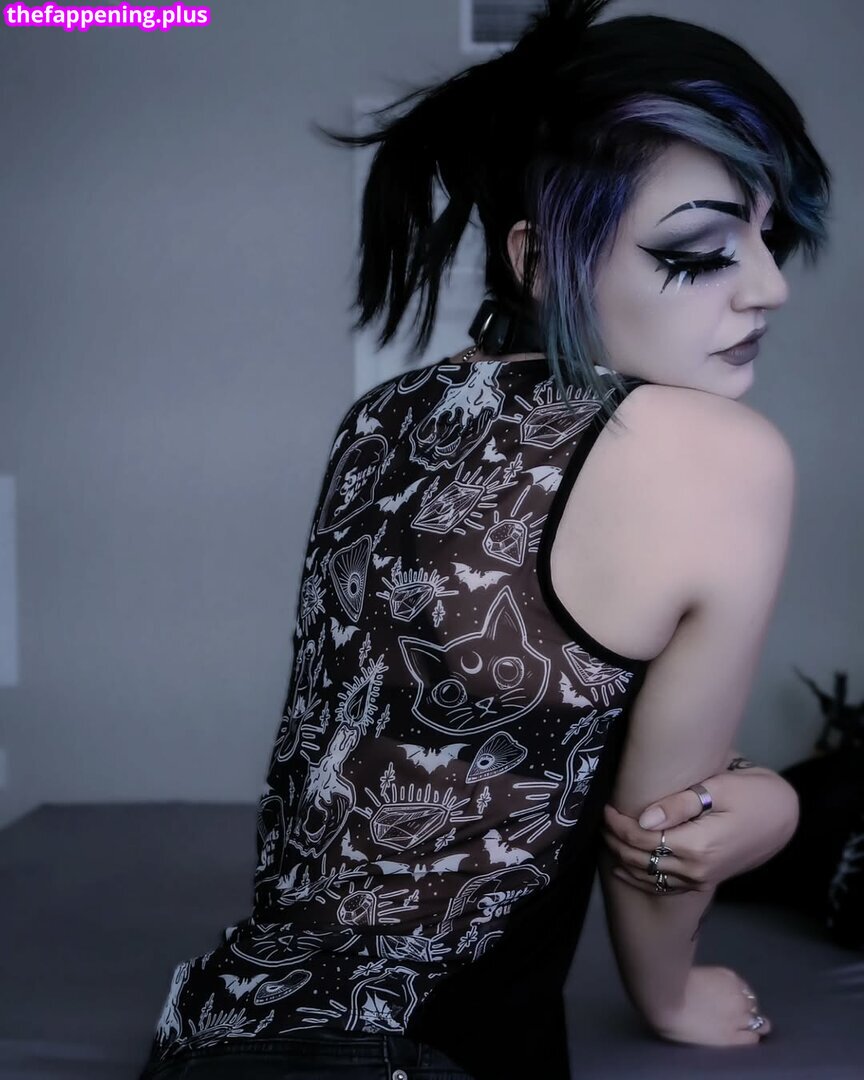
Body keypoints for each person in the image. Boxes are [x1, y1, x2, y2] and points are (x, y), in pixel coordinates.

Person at [136, 1, 831, 1078]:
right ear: (540, 261)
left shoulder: (382, 418)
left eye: (766, 236)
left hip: (217, 1028)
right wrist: (675, 993)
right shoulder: (715, 452)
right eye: (700, 252)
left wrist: (767, 798)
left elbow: (479, 730)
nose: (771, 286)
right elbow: (655, 833)